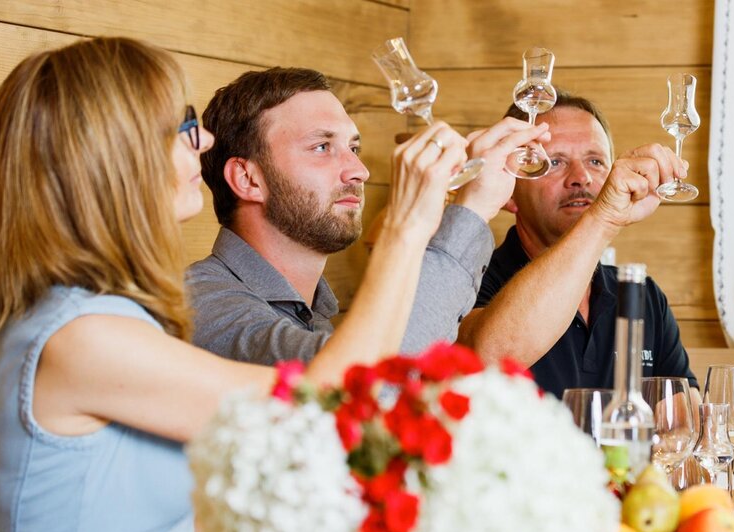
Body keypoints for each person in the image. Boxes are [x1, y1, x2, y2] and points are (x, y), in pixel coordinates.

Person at [0, 37, 467, 532]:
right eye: (181, 127)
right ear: (113, 158)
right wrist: (407, 226)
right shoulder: (82, 338)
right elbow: (324, 405)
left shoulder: (96, 318)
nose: (203, 142)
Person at [187, 67, 547, 363]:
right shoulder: (202, 304)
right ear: (247, 179)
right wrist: (471, 209)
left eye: (354, 148)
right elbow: (367, 380)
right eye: (322, 147)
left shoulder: (318, 314)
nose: (359, 171)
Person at [456, 91, 697, 399]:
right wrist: (603, 219)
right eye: (555, 162)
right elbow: (487, 360)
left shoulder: (642, 294)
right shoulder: (467, 281)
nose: (581, 177)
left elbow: (683, 413)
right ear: (509, 193)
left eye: (595, 161)